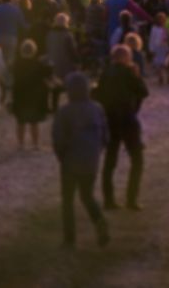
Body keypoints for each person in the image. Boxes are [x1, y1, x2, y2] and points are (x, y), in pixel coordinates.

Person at [52, 72, 111, 250]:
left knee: (68, 200)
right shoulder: (97, 108)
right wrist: (96, 151)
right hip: (91, 159)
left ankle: (69, 239)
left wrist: (62, 157)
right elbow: (105, 136)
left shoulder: (65, 112)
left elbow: (58, 140)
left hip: (71, 160)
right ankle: (99, 221)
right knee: (87, 195)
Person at [96, 44, 149, 211]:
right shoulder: (128, 73)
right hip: (127, 119)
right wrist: (137, 75)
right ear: (126, 58)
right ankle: (131, 200)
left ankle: (108, 200)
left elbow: (97, 94)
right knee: (137, 160)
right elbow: (143, 91)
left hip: (110, 120)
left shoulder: (105, 73)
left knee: (110, 161)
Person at [12, 39, 52, 149]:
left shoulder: (17, 64)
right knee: (34, 123)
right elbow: (48, 74)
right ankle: (35, 144)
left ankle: (20, 143)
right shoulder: (38, 64)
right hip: (34, 97)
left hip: (20, 96)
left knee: (21, 122)